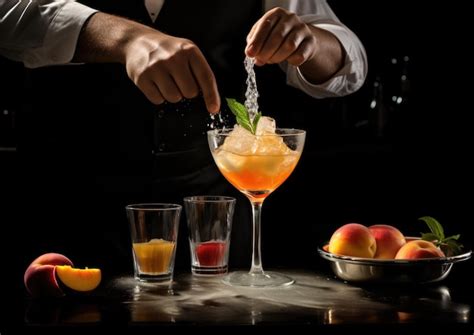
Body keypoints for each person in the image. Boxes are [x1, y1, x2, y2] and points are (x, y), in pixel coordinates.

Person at [1, 0, 367, 273]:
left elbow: (350, 60)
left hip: (212, 213)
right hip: (67, 200)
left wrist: (311, 43)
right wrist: (126, 38)